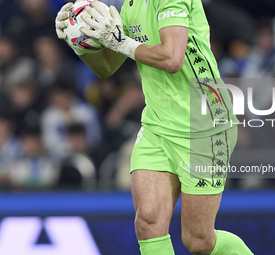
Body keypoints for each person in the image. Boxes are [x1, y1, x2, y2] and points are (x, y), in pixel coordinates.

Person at [56, 1, 253, 255]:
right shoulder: (130, 4)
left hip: (204, 126)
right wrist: (77, 40)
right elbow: (107, 67)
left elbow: (172, 57)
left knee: (199, 240)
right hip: (157, 126)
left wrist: (123, 42)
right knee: (147, 222)